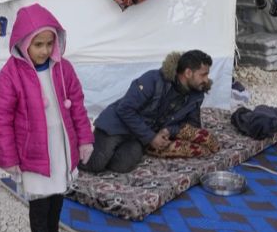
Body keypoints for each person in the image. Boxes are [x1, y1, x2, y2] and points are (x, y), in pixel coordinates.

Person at [0, 3, 94, 232]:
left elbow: (79, 107)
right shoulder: (11, 74)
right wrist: (9, 157)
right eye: (38, 44)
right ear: (24, 44)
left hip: (59, 145)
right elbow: (0, 117)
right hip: (34, 152)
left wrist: (84, 139)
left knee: (58, 194)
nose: (45, 50)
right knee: (40, 205)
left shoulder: (64, 68)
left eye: (49, 43)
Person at [80, 50, 213, 174]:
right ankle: (78, 144)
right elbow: (124, 109)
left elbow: (191, 126)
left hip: (138, 135)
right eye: (203, 75)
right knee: (95, 165)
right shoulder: (153, 79)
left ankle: (102, 150)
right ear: (188, 73)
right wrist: (151, 137)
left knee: (123, 166)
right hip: (116, 126)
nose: (206, 80)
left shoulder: (196, 96)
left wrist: (169, 130)